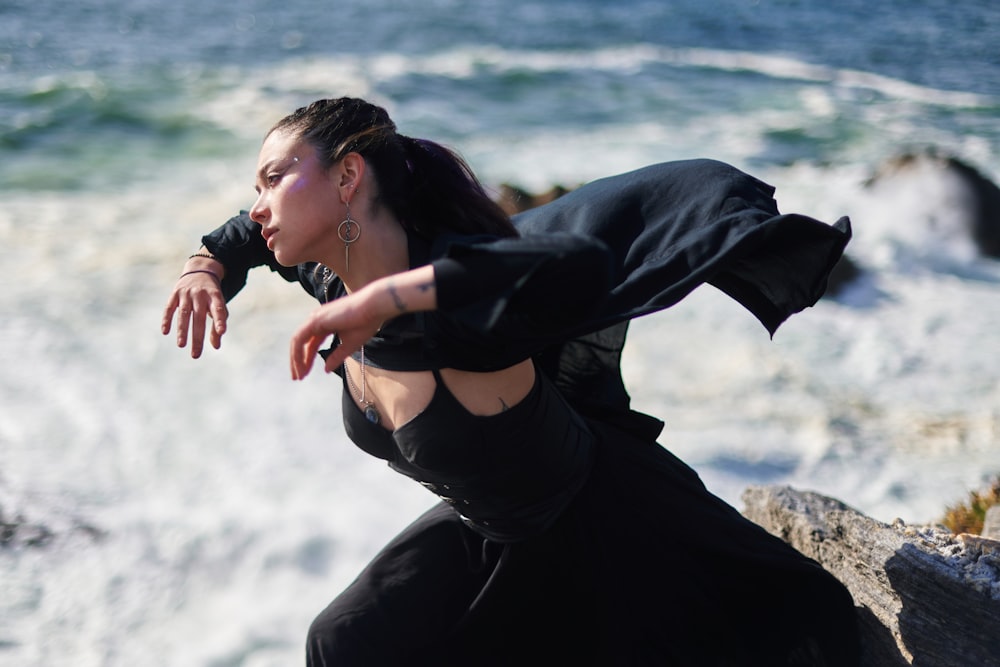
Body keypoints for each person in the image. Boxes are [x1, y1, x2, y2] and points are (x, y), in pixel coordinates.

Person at [162, 97, 861, 666]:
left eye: (275, 178)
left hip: (607, 529)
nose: (258, 203)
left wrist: (389, 300)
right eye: (256, 185)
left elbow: (575, 262)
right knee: (343, 639)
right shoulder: (328, 271)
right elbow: (246, 236)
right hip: (489, 534)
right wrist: (205, 264)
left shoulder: (469, 308)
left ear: (348, 178)